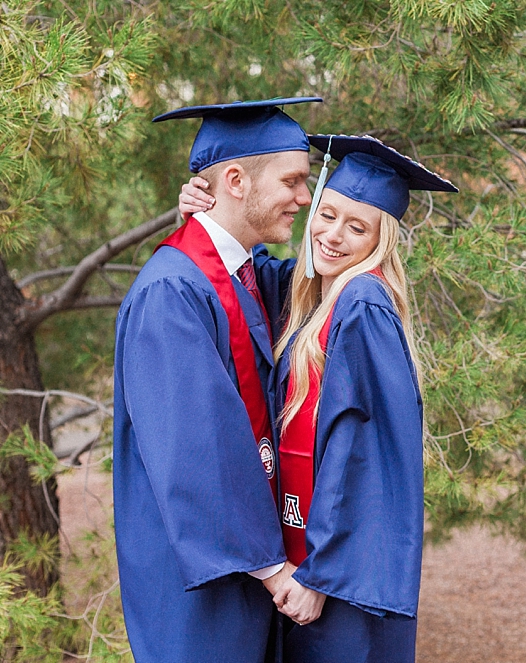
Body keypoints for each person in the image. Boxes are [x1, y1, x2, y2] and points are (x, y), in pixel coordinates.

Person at [113, 97, 320, 663]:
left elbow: (309, 289)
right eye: (294, 181)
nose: (305, 197)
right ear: (235, 179)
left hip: (240, 570)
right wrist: (274, 570)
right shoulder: (172, 292)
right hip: (202, 579)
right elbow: (196, 447)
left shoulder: (244, 274)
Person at [264, 135, 456, 663]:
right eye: (326, 215)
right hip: (311, 564)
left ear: (380, 240)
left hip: (335, 581)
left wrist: (321, 575)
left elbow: (361, 454)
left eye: (357, 227)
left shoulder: (363, 304)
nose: (332, 235)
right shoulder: (325, 297)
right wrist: (203, 206)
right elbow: (253, 272)